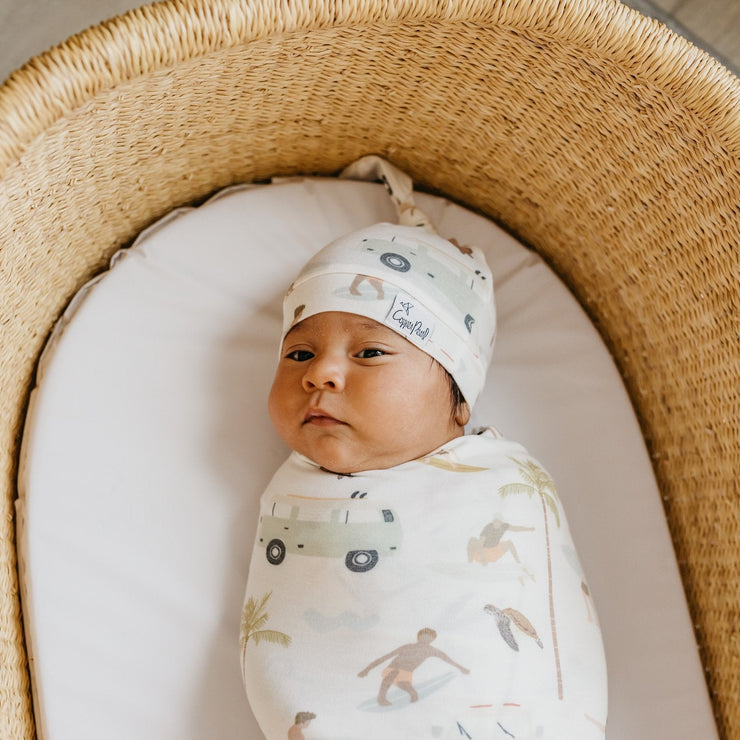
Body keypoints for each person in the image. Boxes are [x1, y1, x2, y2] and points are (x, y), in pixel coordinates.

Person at [241, 160, 607, 740]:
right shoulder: (296, 488)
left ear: (458, 400)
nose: (322, 374)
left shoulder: (496, 480)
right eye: (300, 354)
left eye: (371, 354)